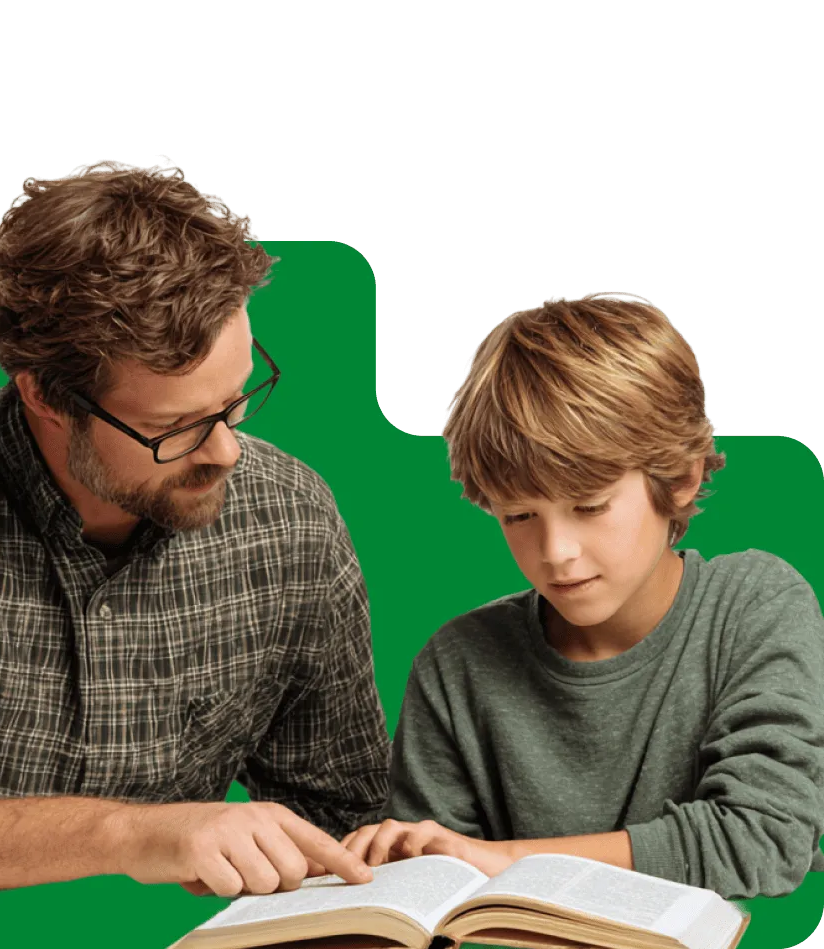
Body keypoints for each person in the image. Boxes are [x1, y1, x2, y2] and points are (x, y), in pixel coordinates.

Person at [0, 158, 390, 896]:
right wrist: (137, 833)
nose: (226, 450)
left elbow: (344, 815)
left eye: (235, 401)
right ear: (44, 393)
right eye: (172, 427)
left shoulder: (289, 517)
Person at [342, 292, 824, 899]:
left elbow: (764, 838)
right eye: (519, 515)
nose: (556, 551)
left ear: (680, 478)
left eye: (589, 507)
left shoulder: (755, 604)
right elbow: (433, 890)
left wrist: (497, 860)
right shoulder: (458, 664)